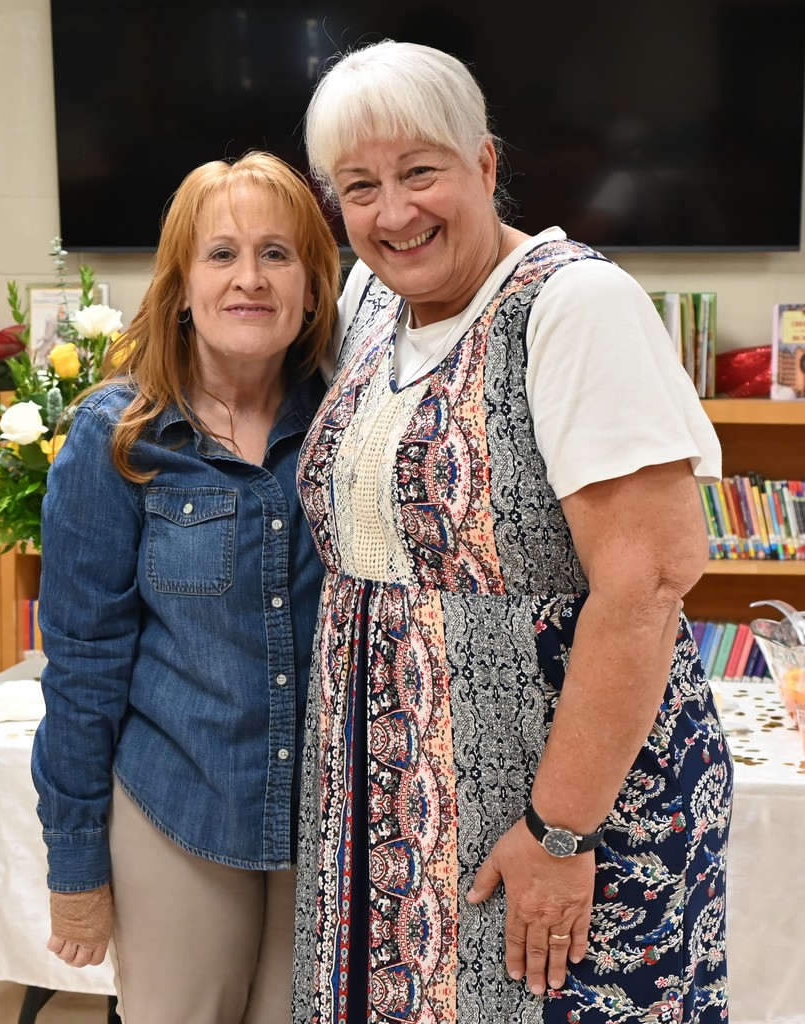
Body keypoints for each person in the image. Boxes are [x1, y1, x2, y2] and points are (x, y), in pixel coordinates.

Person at [292, 40, 732, 1023]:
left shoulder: (573, 305)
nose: (393, 213)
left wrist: (559, 833)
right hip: (383, 803)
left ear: (484, 163)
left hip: (566, 810)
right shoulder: (370, 299)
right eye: (359, 187)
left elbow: (649, 580)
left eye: (420, 172)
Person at [30, 151, 339, 1023]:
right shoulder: (116, 438)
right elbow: (83, 664)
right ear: (180, 287)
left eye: (277, 254)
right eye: (222, 254)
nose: (250, 279)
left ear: (312, 289)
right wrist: (75, 866)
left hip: (329, 815)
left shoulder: (348, 425)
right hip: (177, 801)